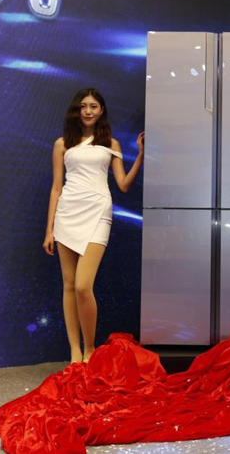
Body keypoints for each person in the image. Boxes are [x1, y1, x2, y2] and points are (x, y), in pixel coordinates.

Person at [42, 88, 144, 363]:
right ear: (76, 110)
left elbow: (123, 184)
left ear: (101, 111)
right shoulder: (62, 144)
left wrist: (140, 157)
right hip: (67, 214)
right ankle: (75, 351)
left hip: (98, 212)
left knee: (83, 286)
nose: (88, 111)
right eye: (83, 106)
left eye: (93, 106)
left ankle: (90, 349)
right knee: (69, 285)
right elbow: (56, 188)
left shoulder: (111, 144)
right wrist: (49, 229)